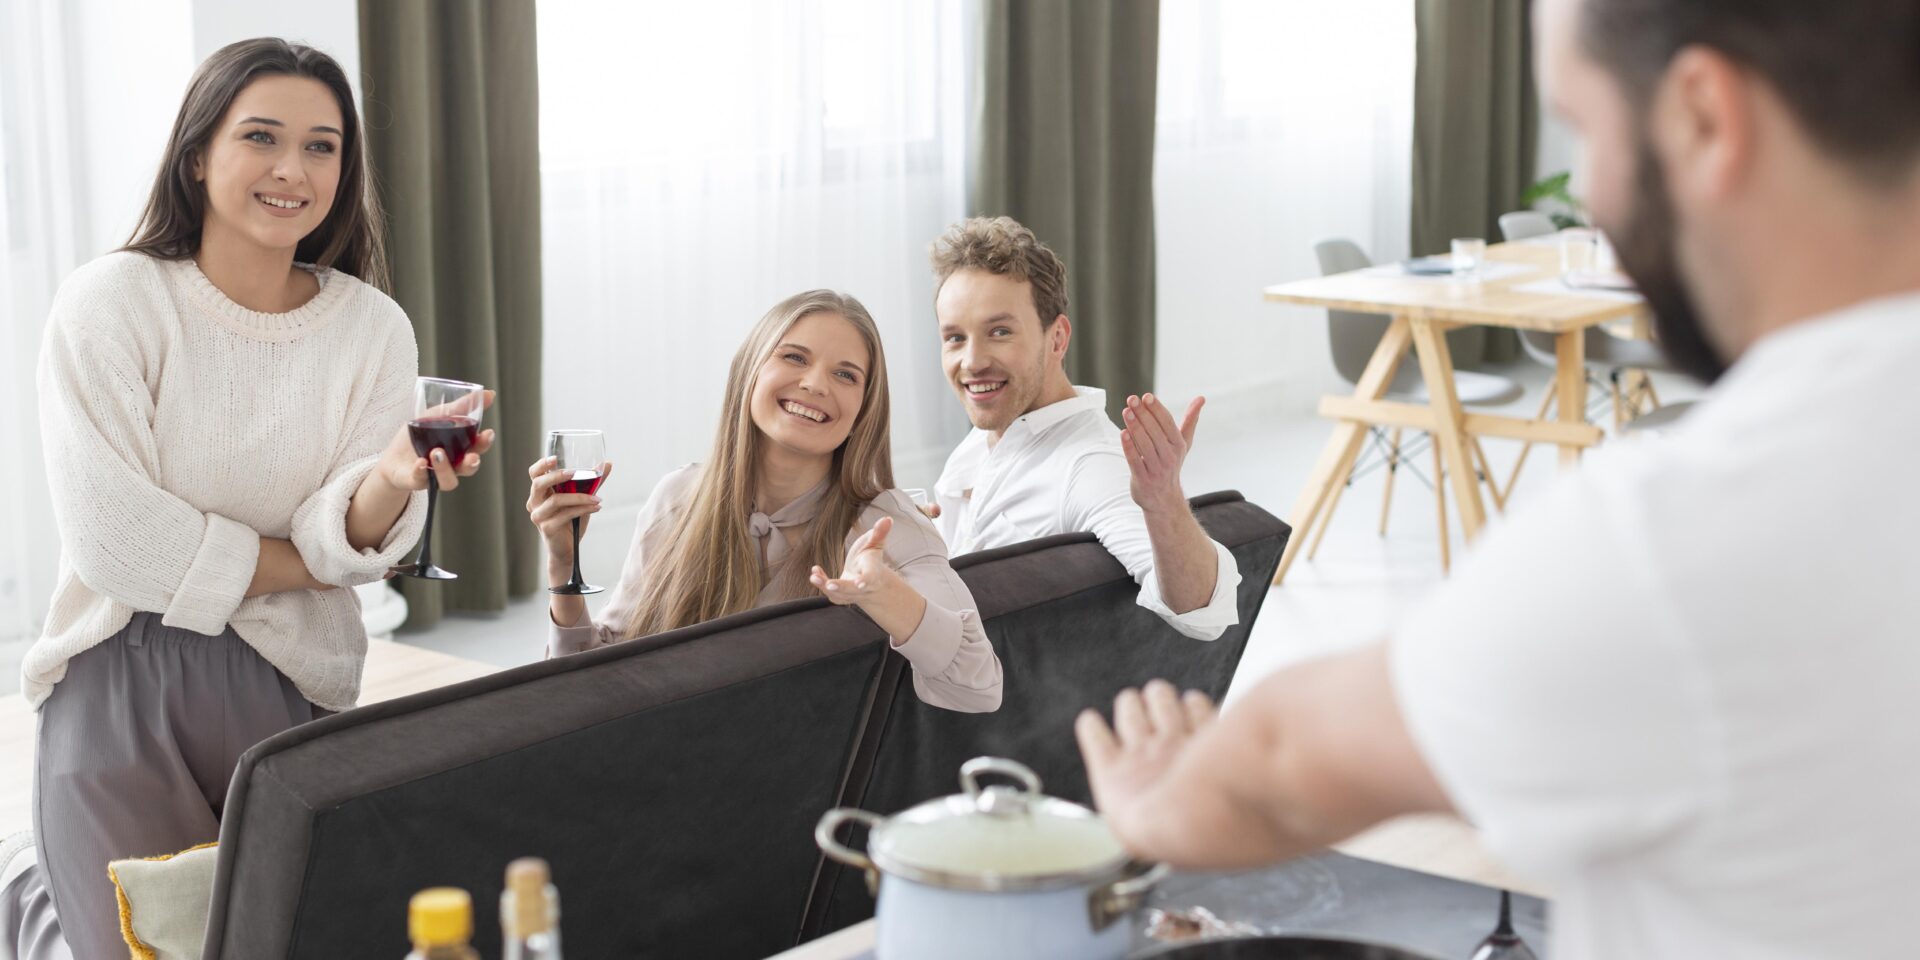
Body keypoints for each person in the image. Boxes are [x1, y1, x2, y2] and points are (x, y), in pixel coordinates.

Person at [1073, 1, 1920, 956]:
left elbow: (1273, 768)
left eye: (1588, 124)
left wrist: (1156, 797)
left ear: (1702, 118)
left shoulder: (1673, 546)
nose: (1593, 196)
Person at [0, 39, 497, 960]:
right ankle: (38, 901)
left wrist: (390, 481)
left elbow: (353, 533)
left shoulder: (369, 326)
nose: (291, 170)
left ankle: (42, 891)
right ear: (198, 155)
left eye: (322, 146)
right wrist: (309, 564)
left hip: (293, 678)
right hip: (121, 668)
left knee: (289, 939)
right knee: (139, 945)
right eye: (261, 137)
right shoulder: (112, 301)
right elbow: (119, 544)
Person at [526, 290, 1002, 713]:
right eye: (794, 357)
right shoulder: (678, 497)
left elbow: (979, 685)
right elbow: (590, 683)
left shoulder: (886, 527)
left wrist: (887, 594)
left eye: (845, 374)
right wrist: (562, 567)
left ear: (863, 412)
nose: (816, 384)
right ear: (750, 372)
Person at [926, 217, 1241, 641]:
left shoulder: (1089, 464)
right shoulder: (984, 439)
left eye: (999, 332)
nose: (972, 361)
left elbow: (1203, 613)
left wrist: (1163, 500)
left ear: (1057, 339)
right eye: (955, 338)